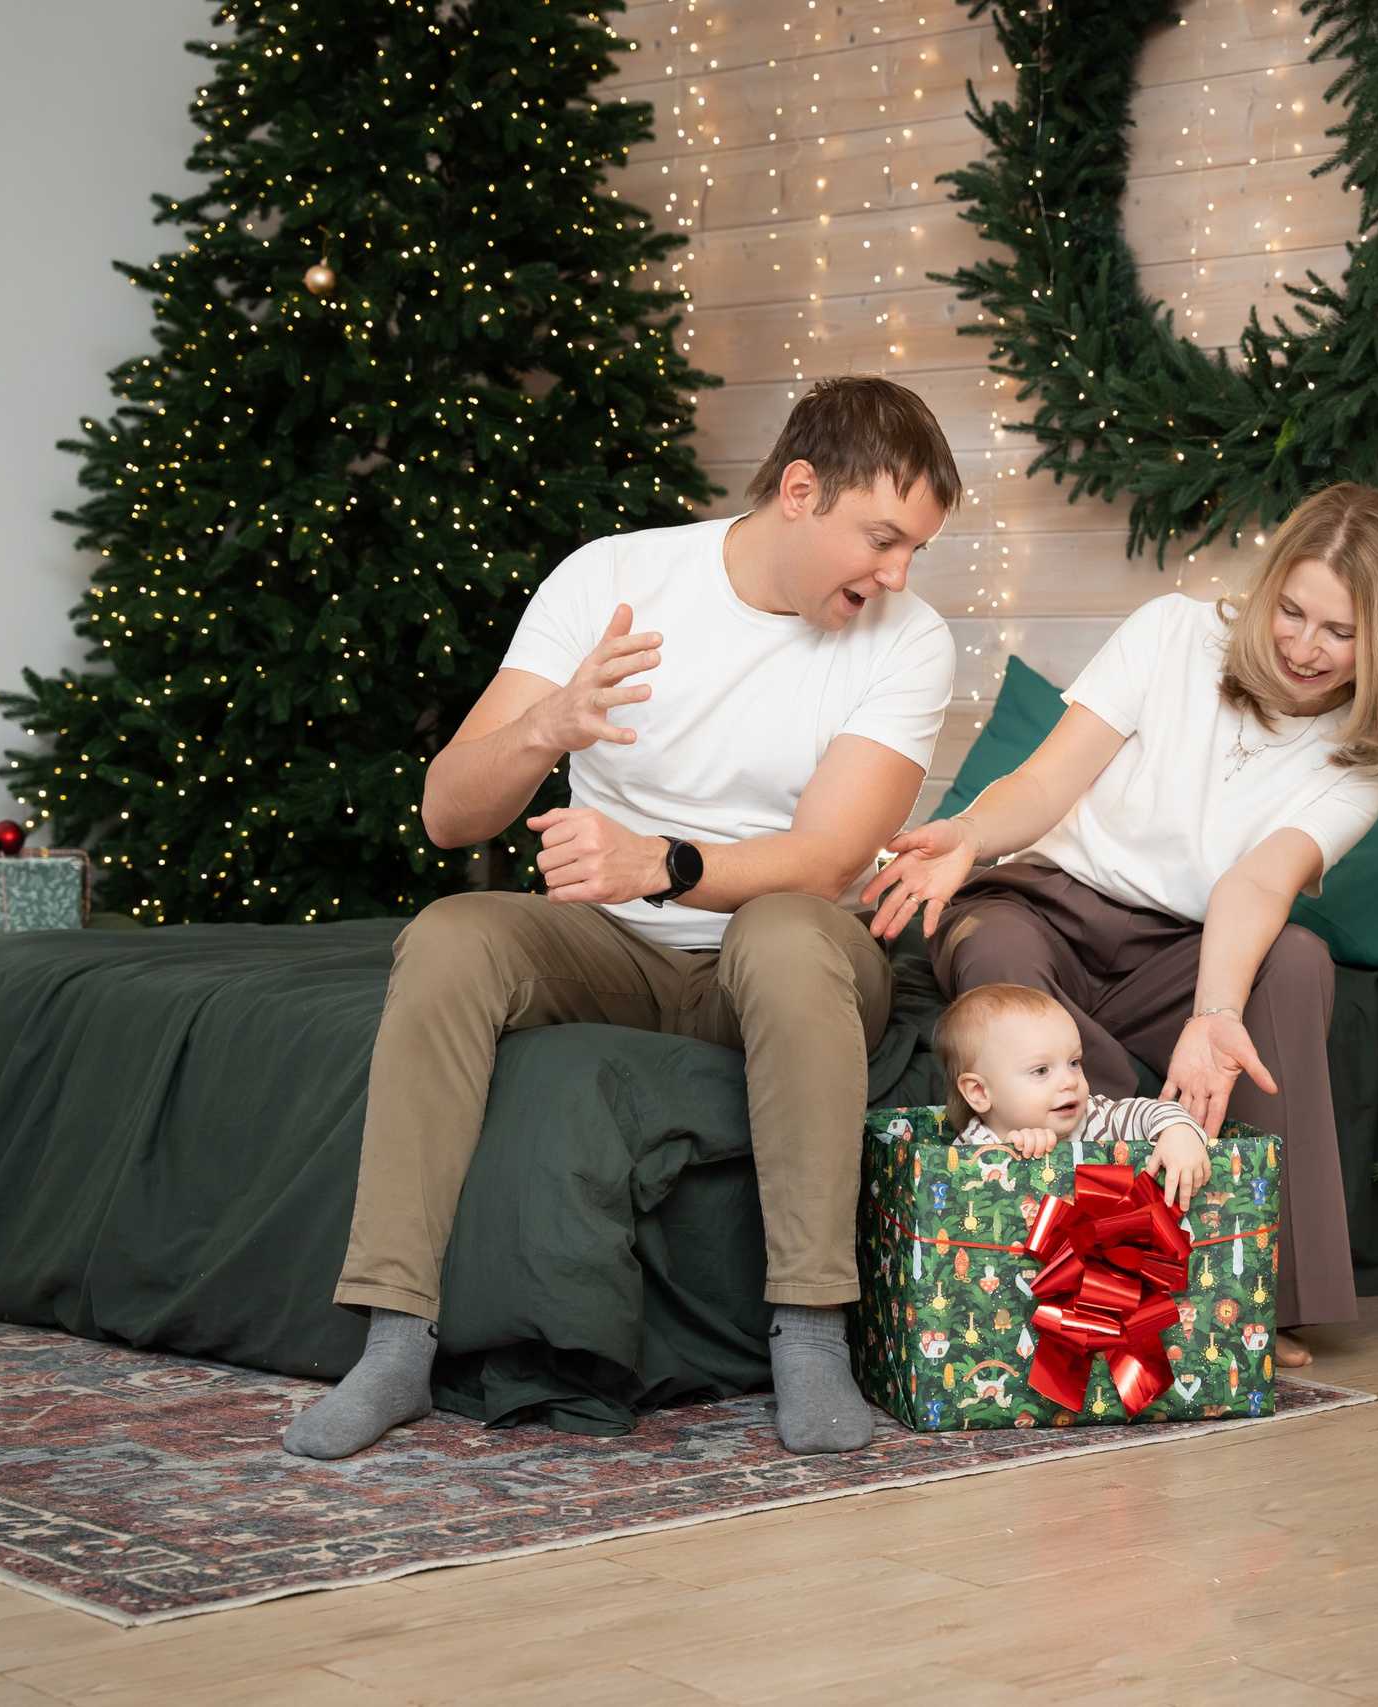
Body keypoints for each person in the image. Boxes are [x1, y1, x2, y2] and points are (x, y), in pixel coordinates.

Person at [285, 377, 960, 1460]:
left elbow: (832, 856)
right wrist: (546, 723)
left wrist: (663, 862)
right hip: (614, 946)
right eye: (881, 540)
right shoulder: (615, 578)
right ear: (799, 490)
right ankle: (395, 1340)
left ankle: (812, 1334)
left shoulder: (907, 640)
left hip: (783, 948)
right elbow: (448, 811)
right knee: (453, 938)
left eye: (914, 551)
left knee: (785, 932)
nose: (895, 574)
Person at [862, 482, 1378, 1365]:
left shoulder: (1365, 761)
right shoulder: (1171, 634)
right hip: (1048, 900)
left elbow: (1259, 882)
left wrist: (1214, 1015)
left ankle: (1253, 1288)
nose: (1303, 646)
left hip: (1184, 947)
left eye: (1340, 631)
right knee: (992, 947)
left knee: (1296, 959)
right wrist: (966, 832)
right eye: (1293, 611)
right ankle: (1102, 1251)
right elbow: (1044, 783)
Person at [935, 982, 1211, 1209]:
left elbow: (1149, 1111)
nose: (1069, 1081)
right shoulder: (973, 1147)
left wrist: (1178, 1130)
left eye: (1074, 1062)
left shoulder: (1096, 1116)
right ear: (979, 1092)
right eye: (1041, 1070)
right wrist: (1009, 1154)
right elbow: (963, 1204)